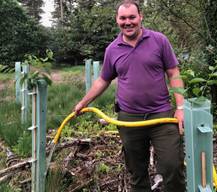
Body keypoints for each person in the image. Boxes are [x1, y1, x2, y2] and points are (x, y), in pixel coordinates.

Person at [74, 0, 185, 191]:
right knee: (136, 171)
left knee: (172, 166)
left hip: (161, 115)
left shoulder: (159, 40)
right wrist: (83, 102)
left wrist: (181, 108)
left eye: (132, 17)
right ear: (117, 20)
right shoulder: (112, 49)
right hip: (129, 118)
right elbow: (103, 80)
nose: (128, 22)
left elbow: (174, 73)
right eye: (123, 18)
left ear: (140, 17)